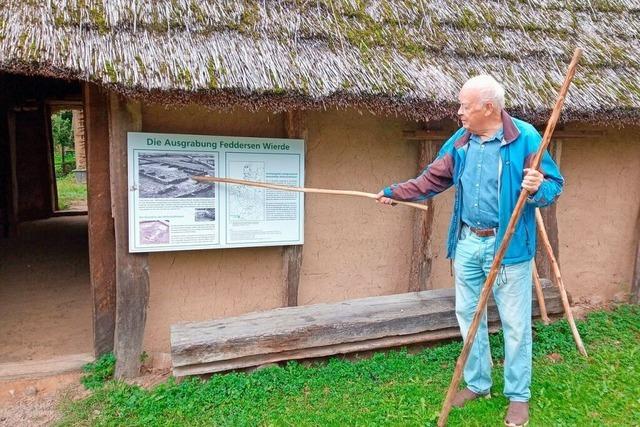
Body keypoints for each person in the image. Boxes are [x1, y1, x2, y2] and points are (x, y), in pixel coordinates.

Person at [376, 75, 563, 427]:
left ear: (488, 108)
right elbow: (432, 178)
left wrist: (538, 187)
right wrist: (396, 192)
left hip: (508, 246)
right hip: (468, 242)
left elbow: (554, 185)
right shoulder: (461, 140)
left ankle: (518, 396)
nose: (459, 112)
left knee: (516, 325)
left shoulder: (524, 138)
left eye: (465, 106)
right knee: (468, 314)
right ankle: (479, 384)